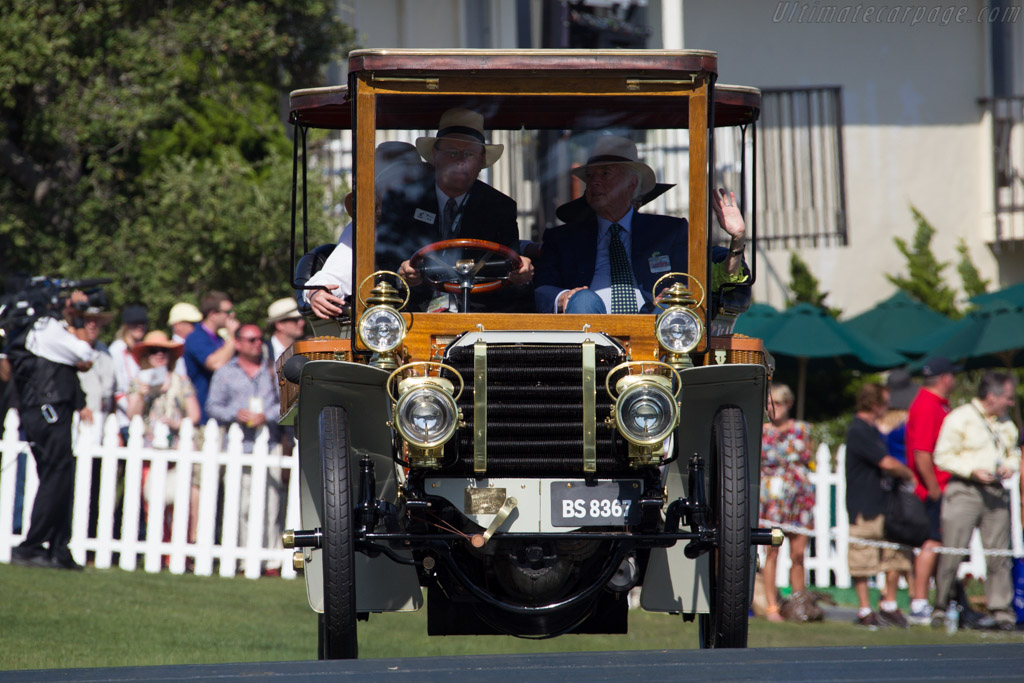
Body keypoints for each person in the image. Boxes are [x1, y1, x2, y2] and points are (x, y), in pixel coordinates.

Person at [534, 135, 748, 314]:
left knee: (672, 303)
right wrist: (565, 297)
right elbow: (541, 290)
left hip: (656, 333)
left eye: (605, 173)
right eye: (590, 176)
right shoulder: (563, 239)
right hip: (589, 332)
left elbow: (711, 279)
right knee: (583, 300)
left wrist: (737, 238)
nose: (594, 182)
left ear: (632, 183)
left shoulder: (669, 232)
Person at [8, 295, 95, 570]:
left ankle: (58, 548)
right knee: (57, 475)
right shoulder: (46, 328)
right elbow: (85, 355)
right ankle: (31, 546)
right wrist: (78, 318)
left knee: (58, 475)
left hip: (44, 410)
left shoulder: (26, 332)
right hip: (50, 410)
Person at [933, 371, 1020, 628]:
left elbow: (1013, 452)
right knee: (953, 550)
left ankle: (1000, 611)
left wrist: (1009, 466)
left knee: (998, 554)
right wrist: (972, 470)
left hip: (995, 492)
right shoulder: (960, 418)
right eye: (1008, 398)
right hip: (964, 489)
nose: (1011, 403)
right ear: (992, 396)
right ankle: (941, 606)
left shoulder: (1006, 422)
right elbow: (942, 456)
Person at [306, 141, 428, 315]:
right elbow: (333, 277)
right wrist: (316, 292)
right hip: (384, 329)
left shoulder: (444, 212)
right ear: (378, 191)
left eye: (412, 180)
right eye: (396, 181)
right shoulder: (367, 228)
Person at [205, 324, 283, 574]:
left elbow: (286, 406)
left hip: (269, 443)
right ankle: (241, 558)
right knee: (240, 503)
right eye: (250, 339)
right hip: (238, 446)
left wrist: (267, 416)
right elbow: (212, 406)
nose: (256, 343)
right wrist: (234, 413)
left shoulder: (273, 370)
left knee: (271, 503)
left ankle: (270, 560)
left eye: (260, 339)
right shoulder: (226, 372)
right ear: (237, 343)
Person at [845, 383, 916, 627]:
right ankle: (865, 609)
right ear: (874, 405)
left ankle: (889, 604)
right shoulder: (858, 429)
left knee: (895, 554)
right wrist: (908, 473)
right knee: (862, 558)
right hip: (864, 505)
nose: (888, 408)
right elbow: (885, 462)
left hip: (886, 504)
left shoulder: (874, 429)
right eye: (885, 403)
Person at [127, 331, 201, 545]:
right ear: (146, 356)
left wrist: (176, 424)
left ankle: (177, 550)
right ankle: (156, 546)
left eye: (164, 351)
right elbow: (133, 415)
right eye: (154, 351)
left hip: (177, 448)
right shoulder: (138, 381)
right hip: (149, 449)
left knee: (179, 502)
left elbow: (194, 415)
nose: (160, 355)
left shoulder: (181, 381)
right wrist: (141, 393)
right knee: (151, 500)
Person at [904, 356, 957, 625]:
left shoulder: (934, 404)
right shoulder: (927, 404)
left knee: (939, 543)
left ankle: (934, 599)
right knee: (932, 542)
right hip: (933, 488)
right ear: (945, 378)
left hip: (936, 485)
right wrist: (934, 489)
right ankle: (920, 601)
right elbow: (922, 452)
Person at [757, 383, 816, 622]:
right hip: (772, 499)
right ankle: (772, 606)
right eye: (769, 404)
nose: (773, 409)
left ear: (788, 404)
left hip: (799, 497)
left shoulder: (803, 429)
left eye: (777, 403)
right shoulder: (761, 430)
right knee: (772, 551)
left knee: (799, 554)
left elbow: (807, 459)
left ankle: (798, 604)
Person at [183, 291, 239, 423]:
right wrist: (232, 338)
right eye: (227, 311)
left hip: (220, 415)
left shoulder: (219, 339)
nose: (232, 315)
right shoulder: (196, 337)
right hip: (202, 415)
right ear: (213, 314)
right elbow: (215, 364)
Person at [108, 304, 148, 443]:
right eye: (135, 323)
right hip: (124, 419)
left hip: (140, 416)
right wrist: (132, 413)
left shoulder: (141, 351)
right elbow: (117, 389)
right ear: (126, 325)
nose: (139, 327)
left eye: (142, 323)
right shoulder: (117, 350)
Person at [76, 306, 116, 429]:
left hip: (101, 419)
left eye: (96, 321)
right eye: (87, 321)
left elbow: (111, 392)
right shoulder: (71, 350)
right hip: (77, 417)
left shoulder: (106, 353)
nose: (92, 325)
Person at [168, 302, 202, 377]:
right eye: (192, 323)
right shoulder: (168, 351)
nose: (197, 327)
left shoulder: (196, 344)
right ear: (177, 325)